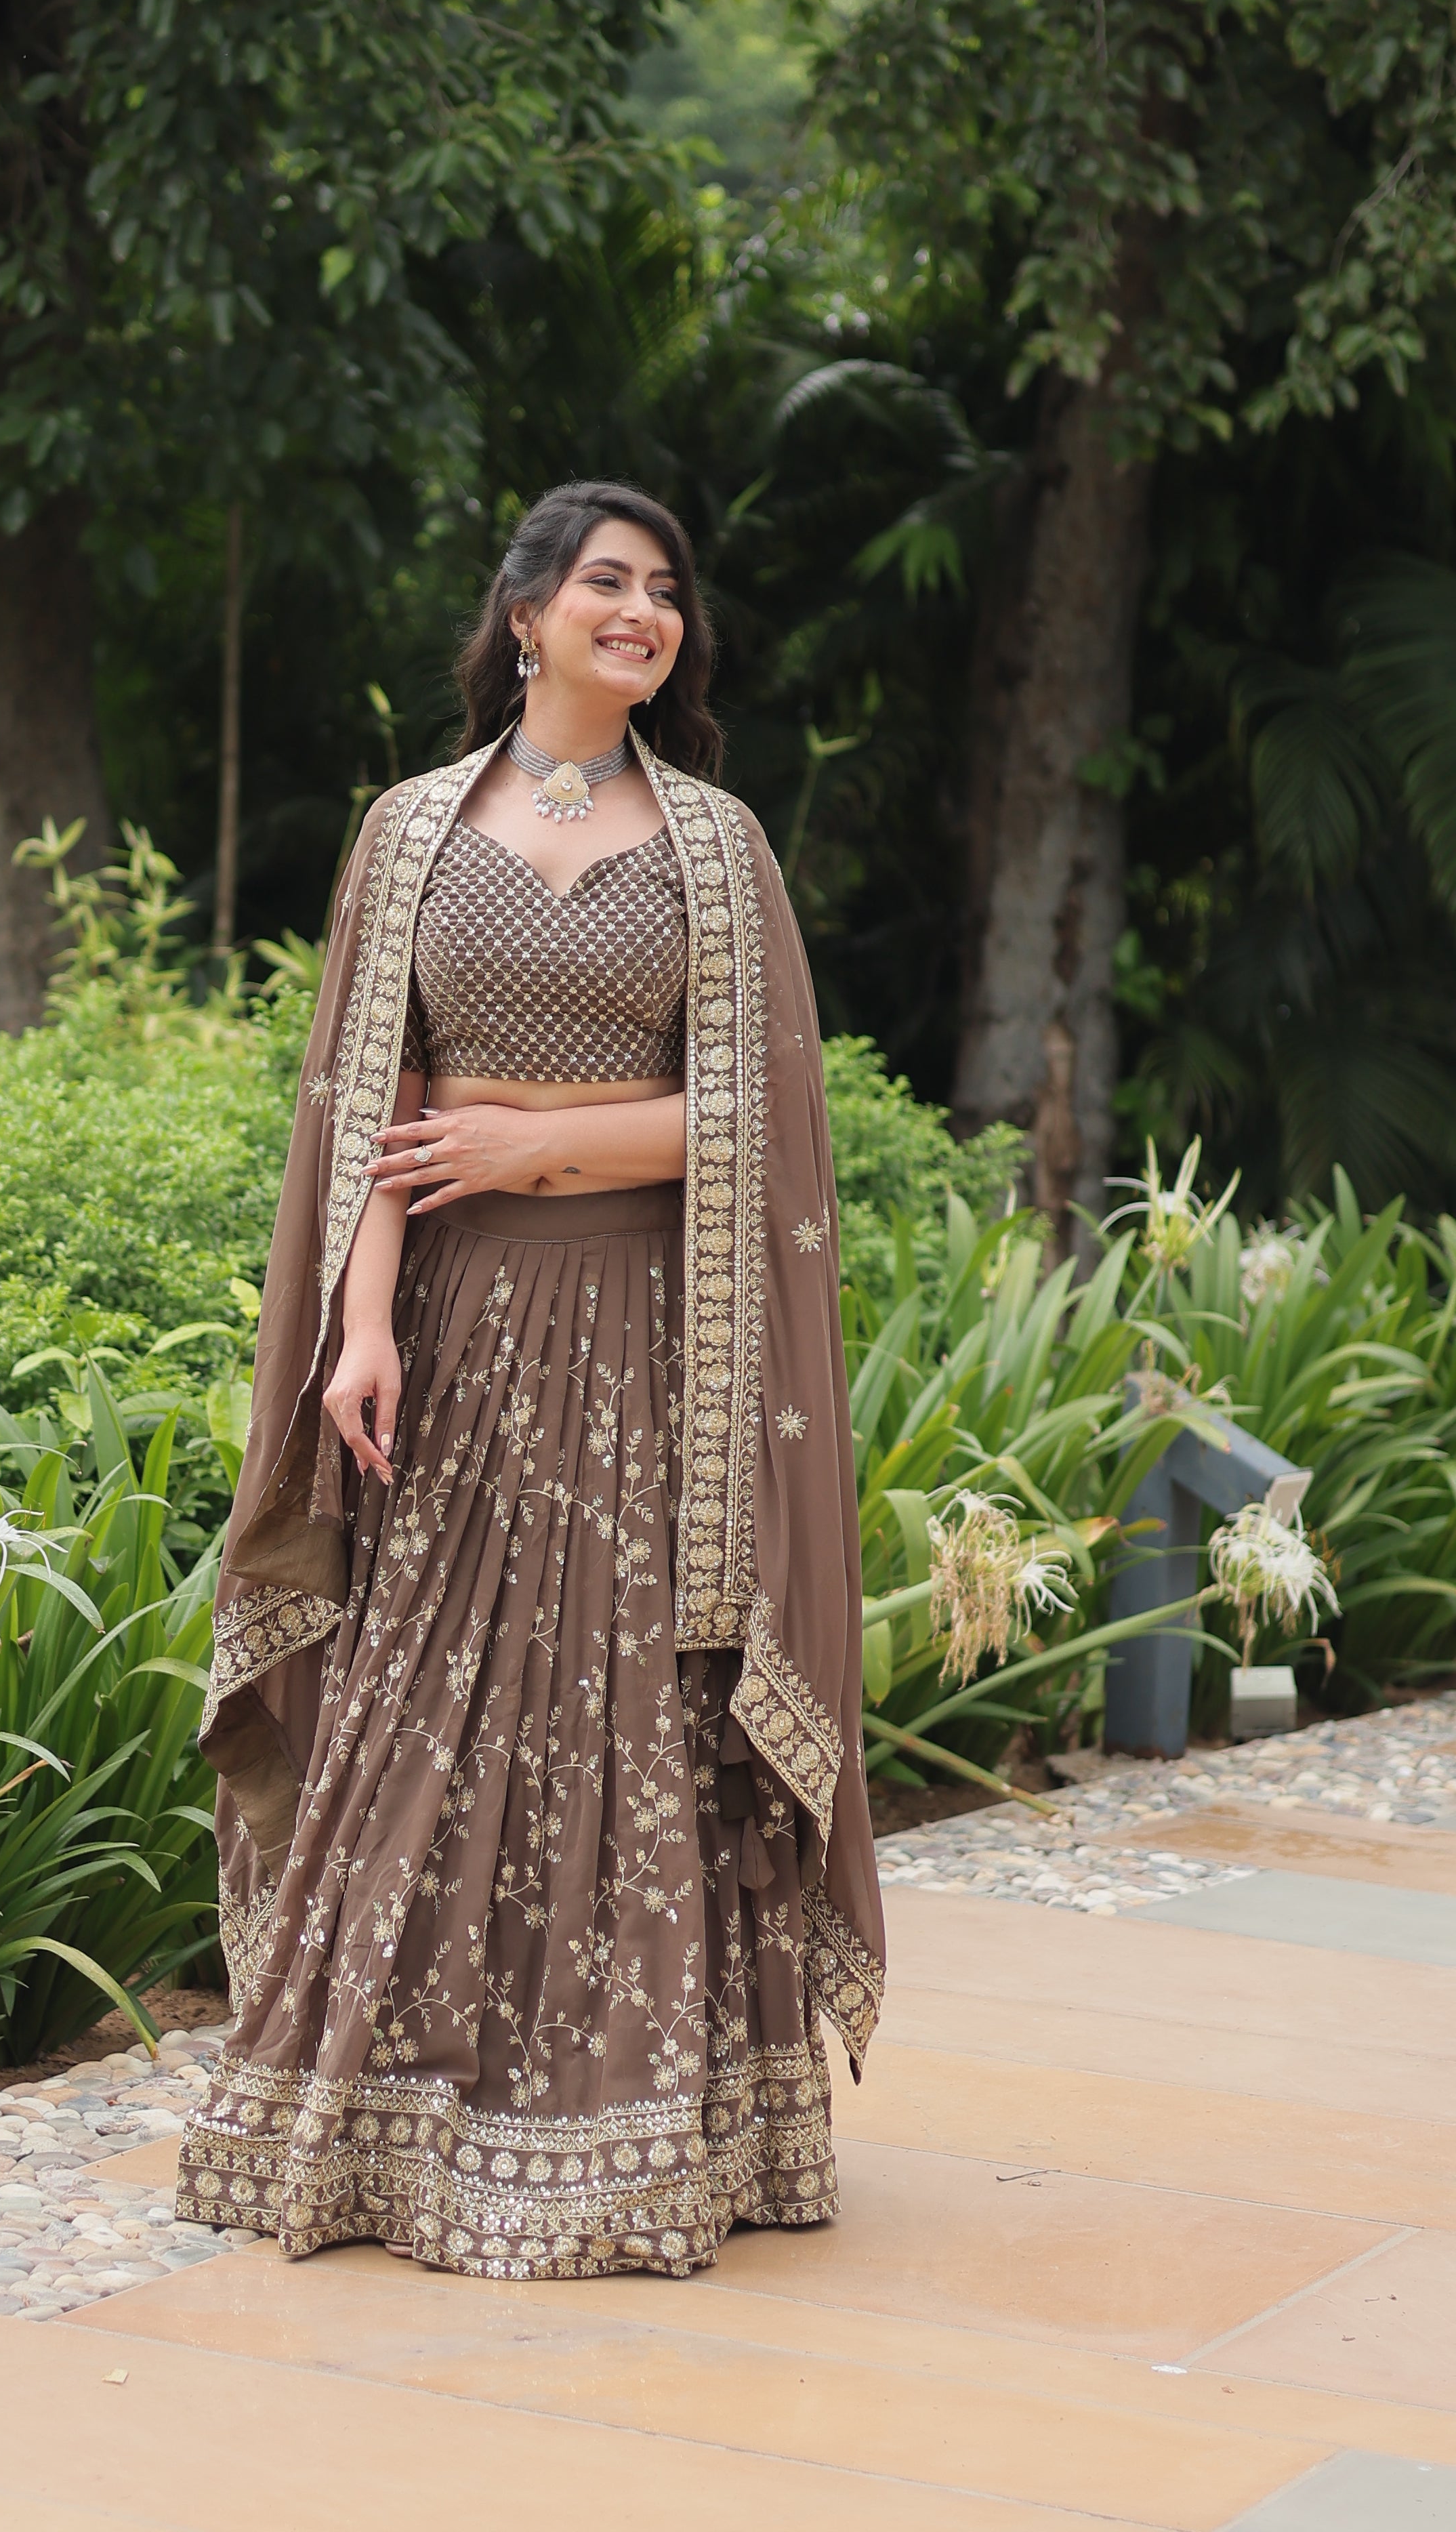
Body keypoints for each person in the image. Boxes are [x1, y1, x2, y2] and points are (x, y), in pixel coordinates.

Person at [176, 480, 885, 2279]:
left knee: (628, 1696)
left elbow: (767, 1120)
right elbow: (373, 1111)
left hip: (653, 1342)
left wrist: (537, 1144)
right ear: (525, 615)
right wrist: (363, 1327)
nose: (642, 612)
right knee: (425, 1694)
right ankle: (373, 2120)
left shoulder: (714, 844)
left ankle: (639, 2130)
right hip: (455, 1336)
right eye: (606, 583)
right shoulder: (412, 832)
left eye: (666, 592)